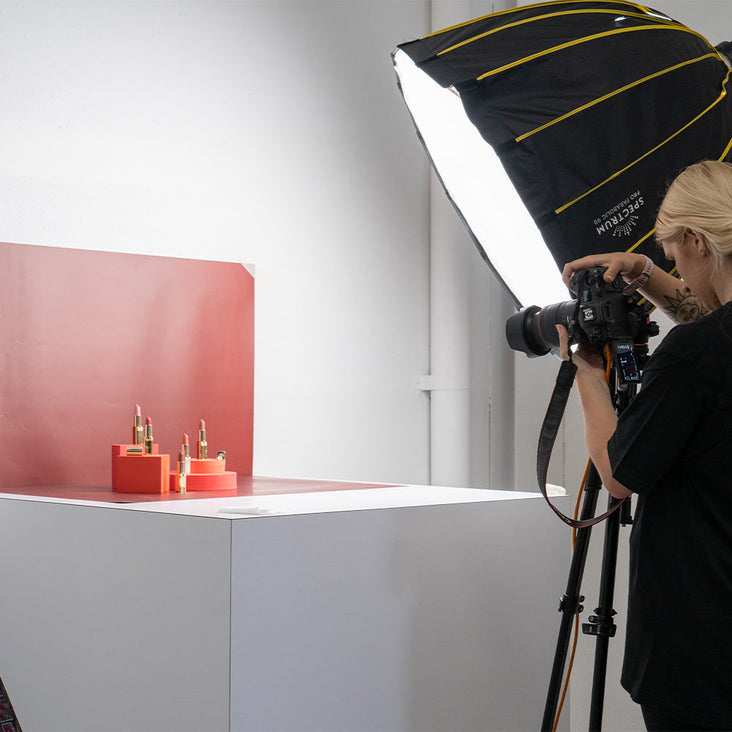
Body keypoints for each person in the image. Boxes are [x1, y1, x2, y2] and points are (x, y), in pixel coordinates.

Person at [558, 159, 732, 731]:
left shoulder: (693, 355)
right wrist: (646, 274)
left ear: (697, 240)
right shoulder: (706, 348)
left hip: (703, 643)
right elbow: (713, 316)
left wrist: (587, 372)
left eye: (674, 254)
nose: (676, 269)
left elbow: (618, 474)